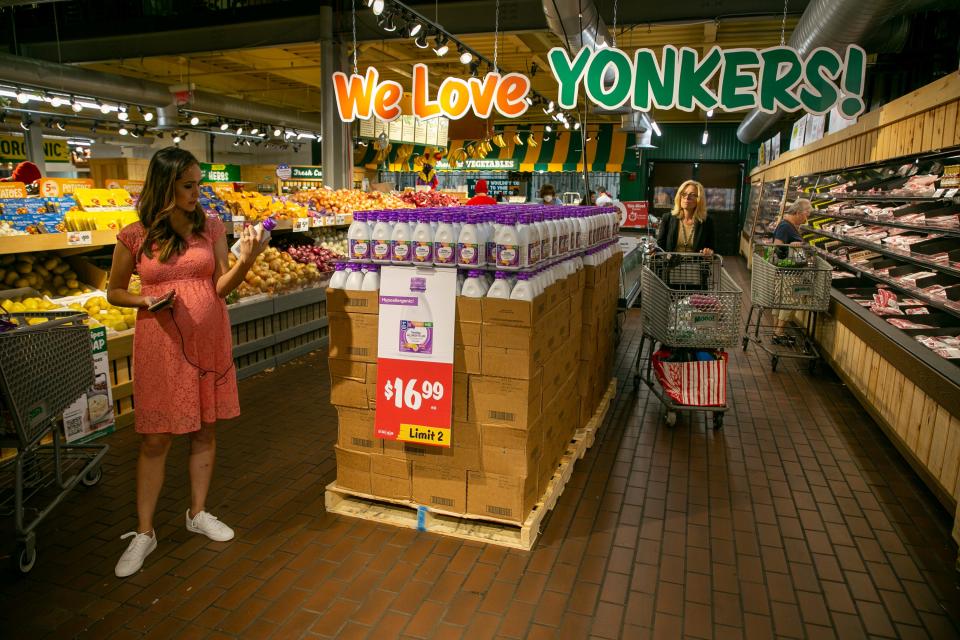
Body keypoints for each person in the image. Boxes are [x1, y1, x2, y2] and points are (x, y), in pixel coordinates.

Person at [107, 147, 268, 578]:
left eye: (199, 184)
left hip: (209, 340)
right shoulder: (134, 235)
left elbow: (221, 287)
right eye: (188, 185)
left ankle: (197, 513)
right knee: (156, 437)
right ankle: (144, 532)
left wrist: (247, 257)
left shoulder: (211, 226)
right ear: (165, 185)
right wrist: (146, 299)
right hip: (159, 343)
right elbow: (114, 292)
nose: (197, 192)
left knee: (204, 428)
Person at [772, 198, 813, 342]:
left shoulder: (789, 225)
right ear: (797, 212)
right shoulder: (785, 226)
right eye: (807, 213)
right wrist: (792, 247)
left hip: (788, 271)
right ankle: (779, 332)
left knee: (782, 300)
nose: (807, 217)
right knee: (789, 301)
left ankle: (777, 332)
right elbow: (777, 247)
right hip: (789, 272)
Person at [656, 179, 716, 255]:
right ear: (679, 197)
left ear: (699, 199)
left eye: (692, 195)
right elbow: (659, 246)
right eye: (684, 194)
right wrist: (654, 250)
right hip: (671, 265)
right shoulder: (667, 218)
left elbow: (712, 249)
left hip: (696, 265)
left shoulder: (707, 221)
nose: (687, 197)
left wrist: (708, 252)